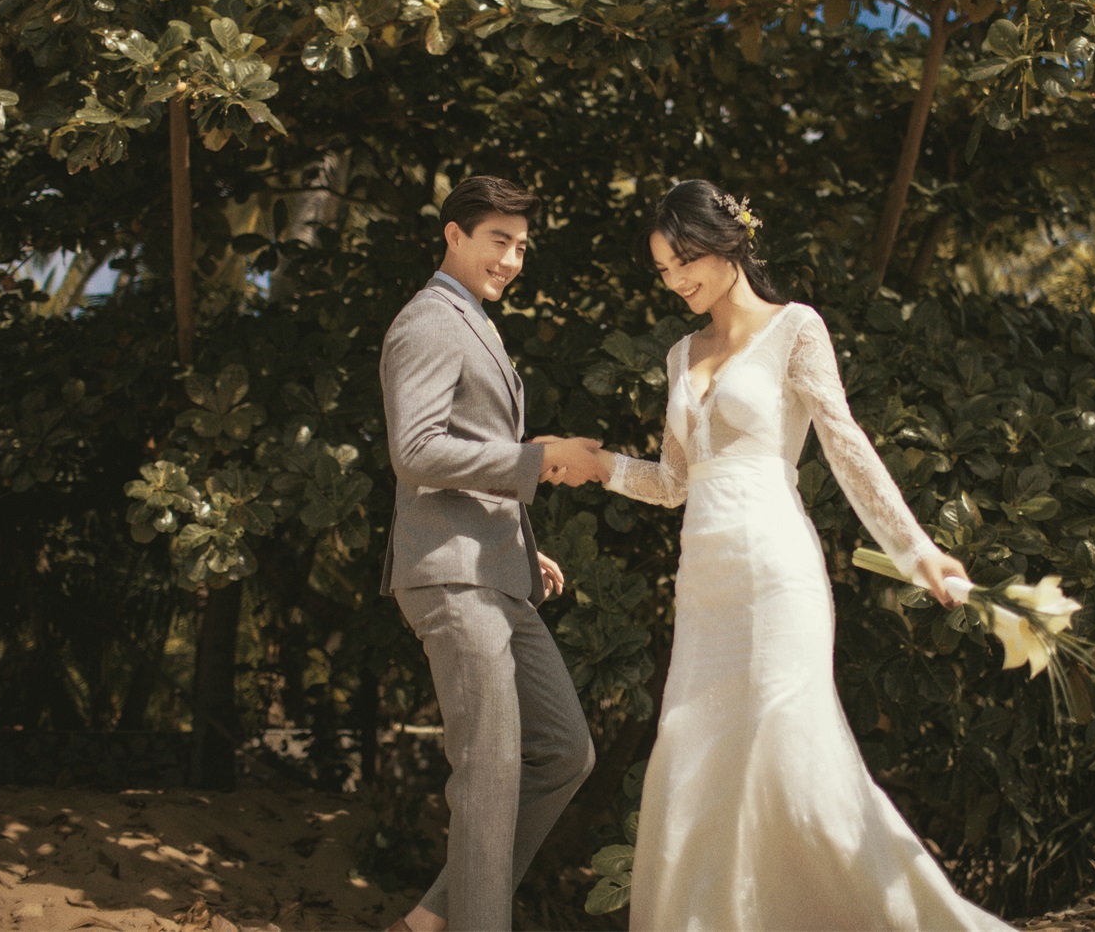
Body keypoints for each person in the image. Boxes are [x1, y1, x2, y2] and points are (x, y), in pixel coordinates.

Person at [579, 180, 1013, 930]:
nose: (675, 280)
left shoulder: (795, 327)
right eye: (663, 269)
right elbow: (676, 482)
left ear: (728, 244)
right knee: (696, 761)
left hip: (777, 569)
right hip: (703, 585)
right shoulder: (681, 354)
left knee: (795, 756)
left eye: (684, 260)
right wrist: (598, 467)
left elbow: (845, 445)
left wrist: (917, 550)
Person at [379, 175, 600, 932]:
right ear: (454, 234)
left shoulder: (475, 320)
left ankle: (431, 919)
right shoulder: (430, 321)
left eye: (521, 247)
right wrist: (538, 459)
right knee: (490, 774)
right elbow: (415, 452)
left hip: (496, 570)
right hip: (452, 576)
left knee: (564, 752)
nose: (511, 260)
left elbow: (471, 449)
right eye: (498, 241)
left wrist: (519, 547)